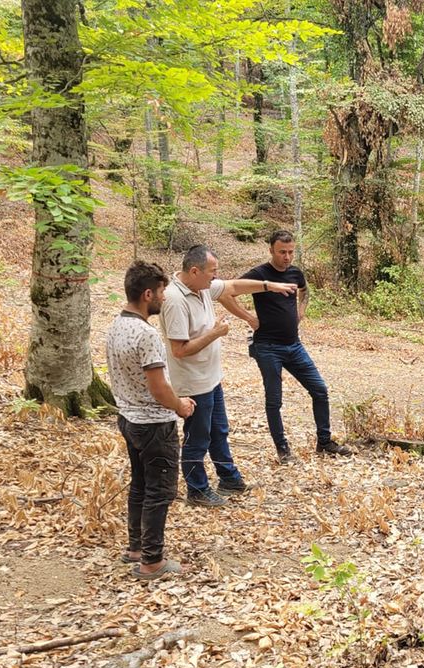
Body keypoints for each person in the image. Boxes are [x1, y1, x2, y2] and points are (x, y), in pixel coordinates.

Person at [160, 244, 298, 507]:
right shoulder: (175, 300)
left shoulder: (201, 287)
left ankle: (229, 478)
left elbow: (234, 287)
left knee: (218, 430)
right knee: (197, 436)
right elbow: (179, 350)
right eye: (213, 271)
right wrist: (215, 332)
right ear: (194, 270)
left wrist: (270, 285)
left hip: (211, 377)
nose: (216, 276)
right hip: (193, 381)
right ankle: (197, 489)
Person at [106, 260, 196, 581]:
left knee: (141, 485)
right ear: (147, 294)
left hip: (128, 419)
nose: (164, 298)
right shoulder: (146, 335)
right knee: (160, 491)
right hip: (154, 424)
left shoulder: (116, 326)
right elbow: (159, 389)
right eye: (161, 292)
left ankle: (135, 548)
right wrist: (181, 406)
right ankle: (152, 561)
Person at [240, 230, 351, 463]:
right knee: (275, 399)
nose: (287, 257)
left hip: (294, 345)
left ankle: (324, 442)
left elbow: (304, 290)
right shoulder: (260, 274)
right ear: (271, 250)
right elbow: (227, 291)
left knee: (319, 389)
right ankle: (283, 449)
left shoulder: (294, 273)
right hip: (267, 347)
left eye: (291, 252)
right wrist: (248, 317)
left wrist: (302, 310)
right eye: (282, 252)